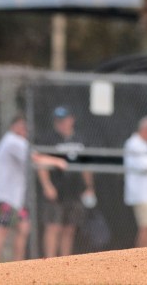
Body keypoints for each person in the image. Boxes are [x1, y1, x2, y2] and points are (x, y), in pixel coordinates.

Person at [0, 114, 67, 263]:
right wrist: (57, 161)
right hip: (7, 196)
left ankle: (18, 266)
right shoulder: (13, 141)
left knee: (24, 227)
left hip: (15, 198)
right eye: (23, 127)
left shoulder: (14, 142)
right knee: (1, 229)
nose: (26, 131)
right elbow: (35, 158)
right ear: (15, 126)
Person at [37, 106, 95, 257]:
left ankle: (65, 263)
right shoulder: (49, 139)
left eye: (64, 120)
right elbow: (40, 162)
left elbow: (86, 167)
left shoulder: (80, 139)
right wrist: (47, 185)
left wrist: (89, 187)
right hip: (56, 190)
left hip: (75, 191)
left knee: (69, 228)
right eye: (58, 121)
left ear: (72, 119)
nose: (61, 124)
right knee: (53, 227)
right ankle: (50, 263)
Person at [123, 116, 147, 247]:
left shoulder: (144, 144)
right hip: (140, 193)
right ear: (145, 129)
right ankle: (141, 256)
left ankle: (146, 255)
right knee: (146, 227)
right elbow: (146, 166)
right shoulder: (134, 143)